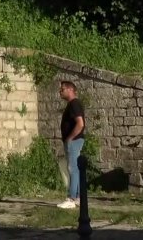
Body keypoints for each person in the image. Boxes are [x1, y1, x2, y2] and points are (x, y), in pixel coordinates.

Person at [57, 80, 86, 209]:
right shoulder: (73, 104)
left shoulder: (74, 104)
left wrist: (70, 138)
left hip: (74, 141)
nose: (60, 91)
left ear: (70, 90)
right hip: (74, 141)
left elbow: (80, 124)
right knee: (75, 169)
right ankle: (78, 197)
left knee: (72, 169)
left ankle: (72, 198)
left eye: (62, 89)